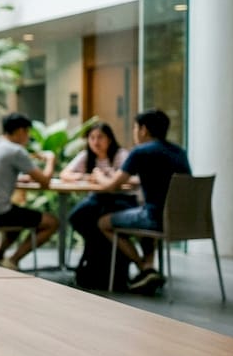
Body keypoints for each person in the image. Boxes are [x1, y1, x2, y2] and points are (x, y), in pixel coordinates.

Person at [97, 108, 191, 294]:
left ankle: (144, 268)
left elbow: (112, 186)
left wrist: (99, 175)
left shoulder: (141, 152)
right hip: (182, 220)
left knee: (104, 222)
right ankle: (148, 267)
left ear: (143, 130)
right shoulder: (179, 152)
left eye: (135, 128)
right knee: (142, 214)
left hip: (156, 218)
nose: (134, 132)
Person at [0, 112, 59, 269]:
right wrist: (51, 159)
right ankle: (13, 260)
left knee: (18, 214)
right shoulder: (15, 151)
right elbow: (45, 182)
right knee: (52, 223)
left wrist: (17, 179)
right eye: (27, 132)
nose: (28, 137)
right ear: (20, 131)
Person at [61, 122, 140, 279]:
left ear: (109, 139)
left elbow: (132, 180)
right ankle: (96, 254)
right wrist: (84, 177)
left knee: (96, 217)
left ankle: (105, 258)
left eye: (100, 137)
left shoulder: (120, 155)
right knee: (77, 217)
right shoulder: (86, 156)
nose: (95, 142)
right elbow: (65, 173)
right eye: (92, 138)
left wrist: (105, 177)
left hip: (120, 200)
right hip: (98, 198)